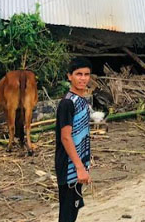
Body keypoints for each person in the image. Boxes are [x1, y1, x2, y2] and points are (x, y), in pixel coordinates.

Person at [55, 57, 93, 222]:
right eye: (78, 74)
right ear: (69, 76)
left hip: (77, 162)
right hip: (69, 164)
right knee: (67, 213)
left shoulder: (82, 101)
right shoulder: (67, 103)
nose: (83, 78)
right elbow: (66, 137)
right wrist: (79, 168)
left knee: (73, 208)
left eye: (86, 74)